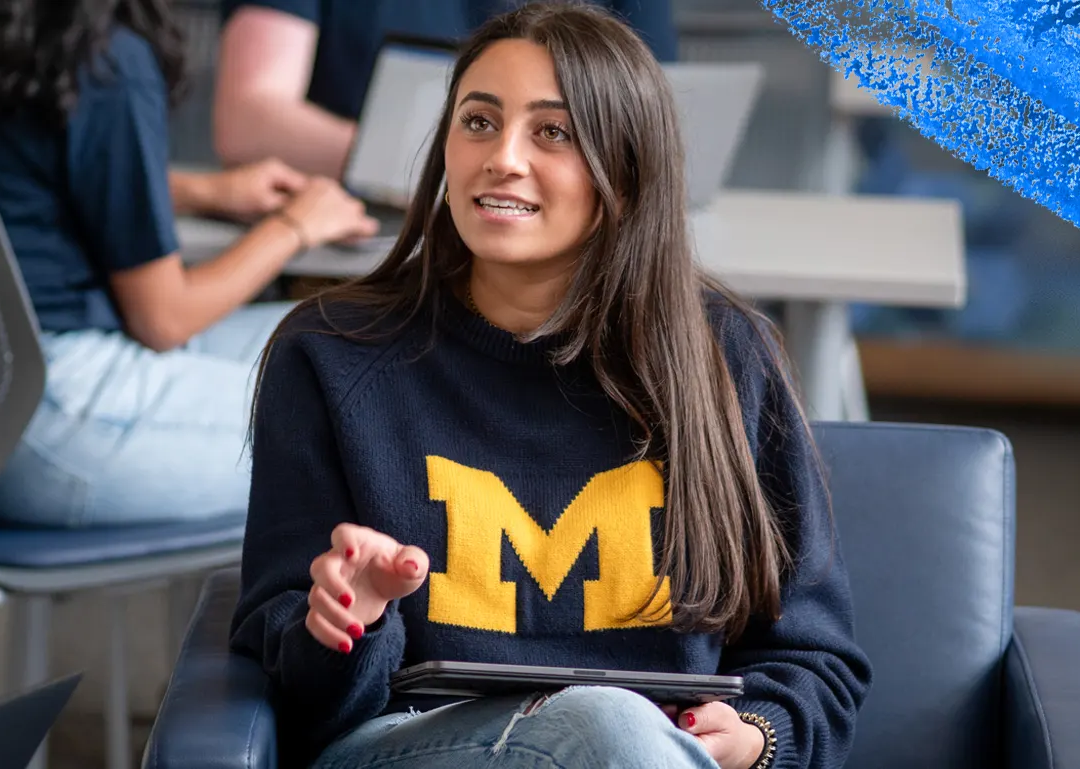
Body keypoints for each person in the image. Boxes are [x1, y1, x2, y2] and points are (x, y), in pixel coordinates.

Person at [231, 4, 869, 768]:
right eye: (477, 122)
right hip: (403, 745)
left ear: (627, 169)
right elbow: (291, 688)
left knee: (620, 734)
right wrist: (351, 619)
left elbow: (814, 656)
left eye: (553, 132)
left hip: (654, 754)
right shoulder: (331, 353)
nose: (502, 157)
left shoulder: (726, 356)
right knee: (612, 730)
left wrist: (759, 734)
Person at [0, 0, 380, 529]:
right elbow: (164, 320)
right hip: (57, 421)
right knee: (371, 412)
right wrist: (295, 226)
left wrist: (203, 191)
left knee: (358, 340)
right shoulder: (106, 60)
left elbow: (30, 182)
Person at [213, 0, 679, 178]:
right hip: (372, 253)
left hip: (578, 264)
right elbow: (247, 118)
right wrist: (445, 168)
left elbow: (655, 126)